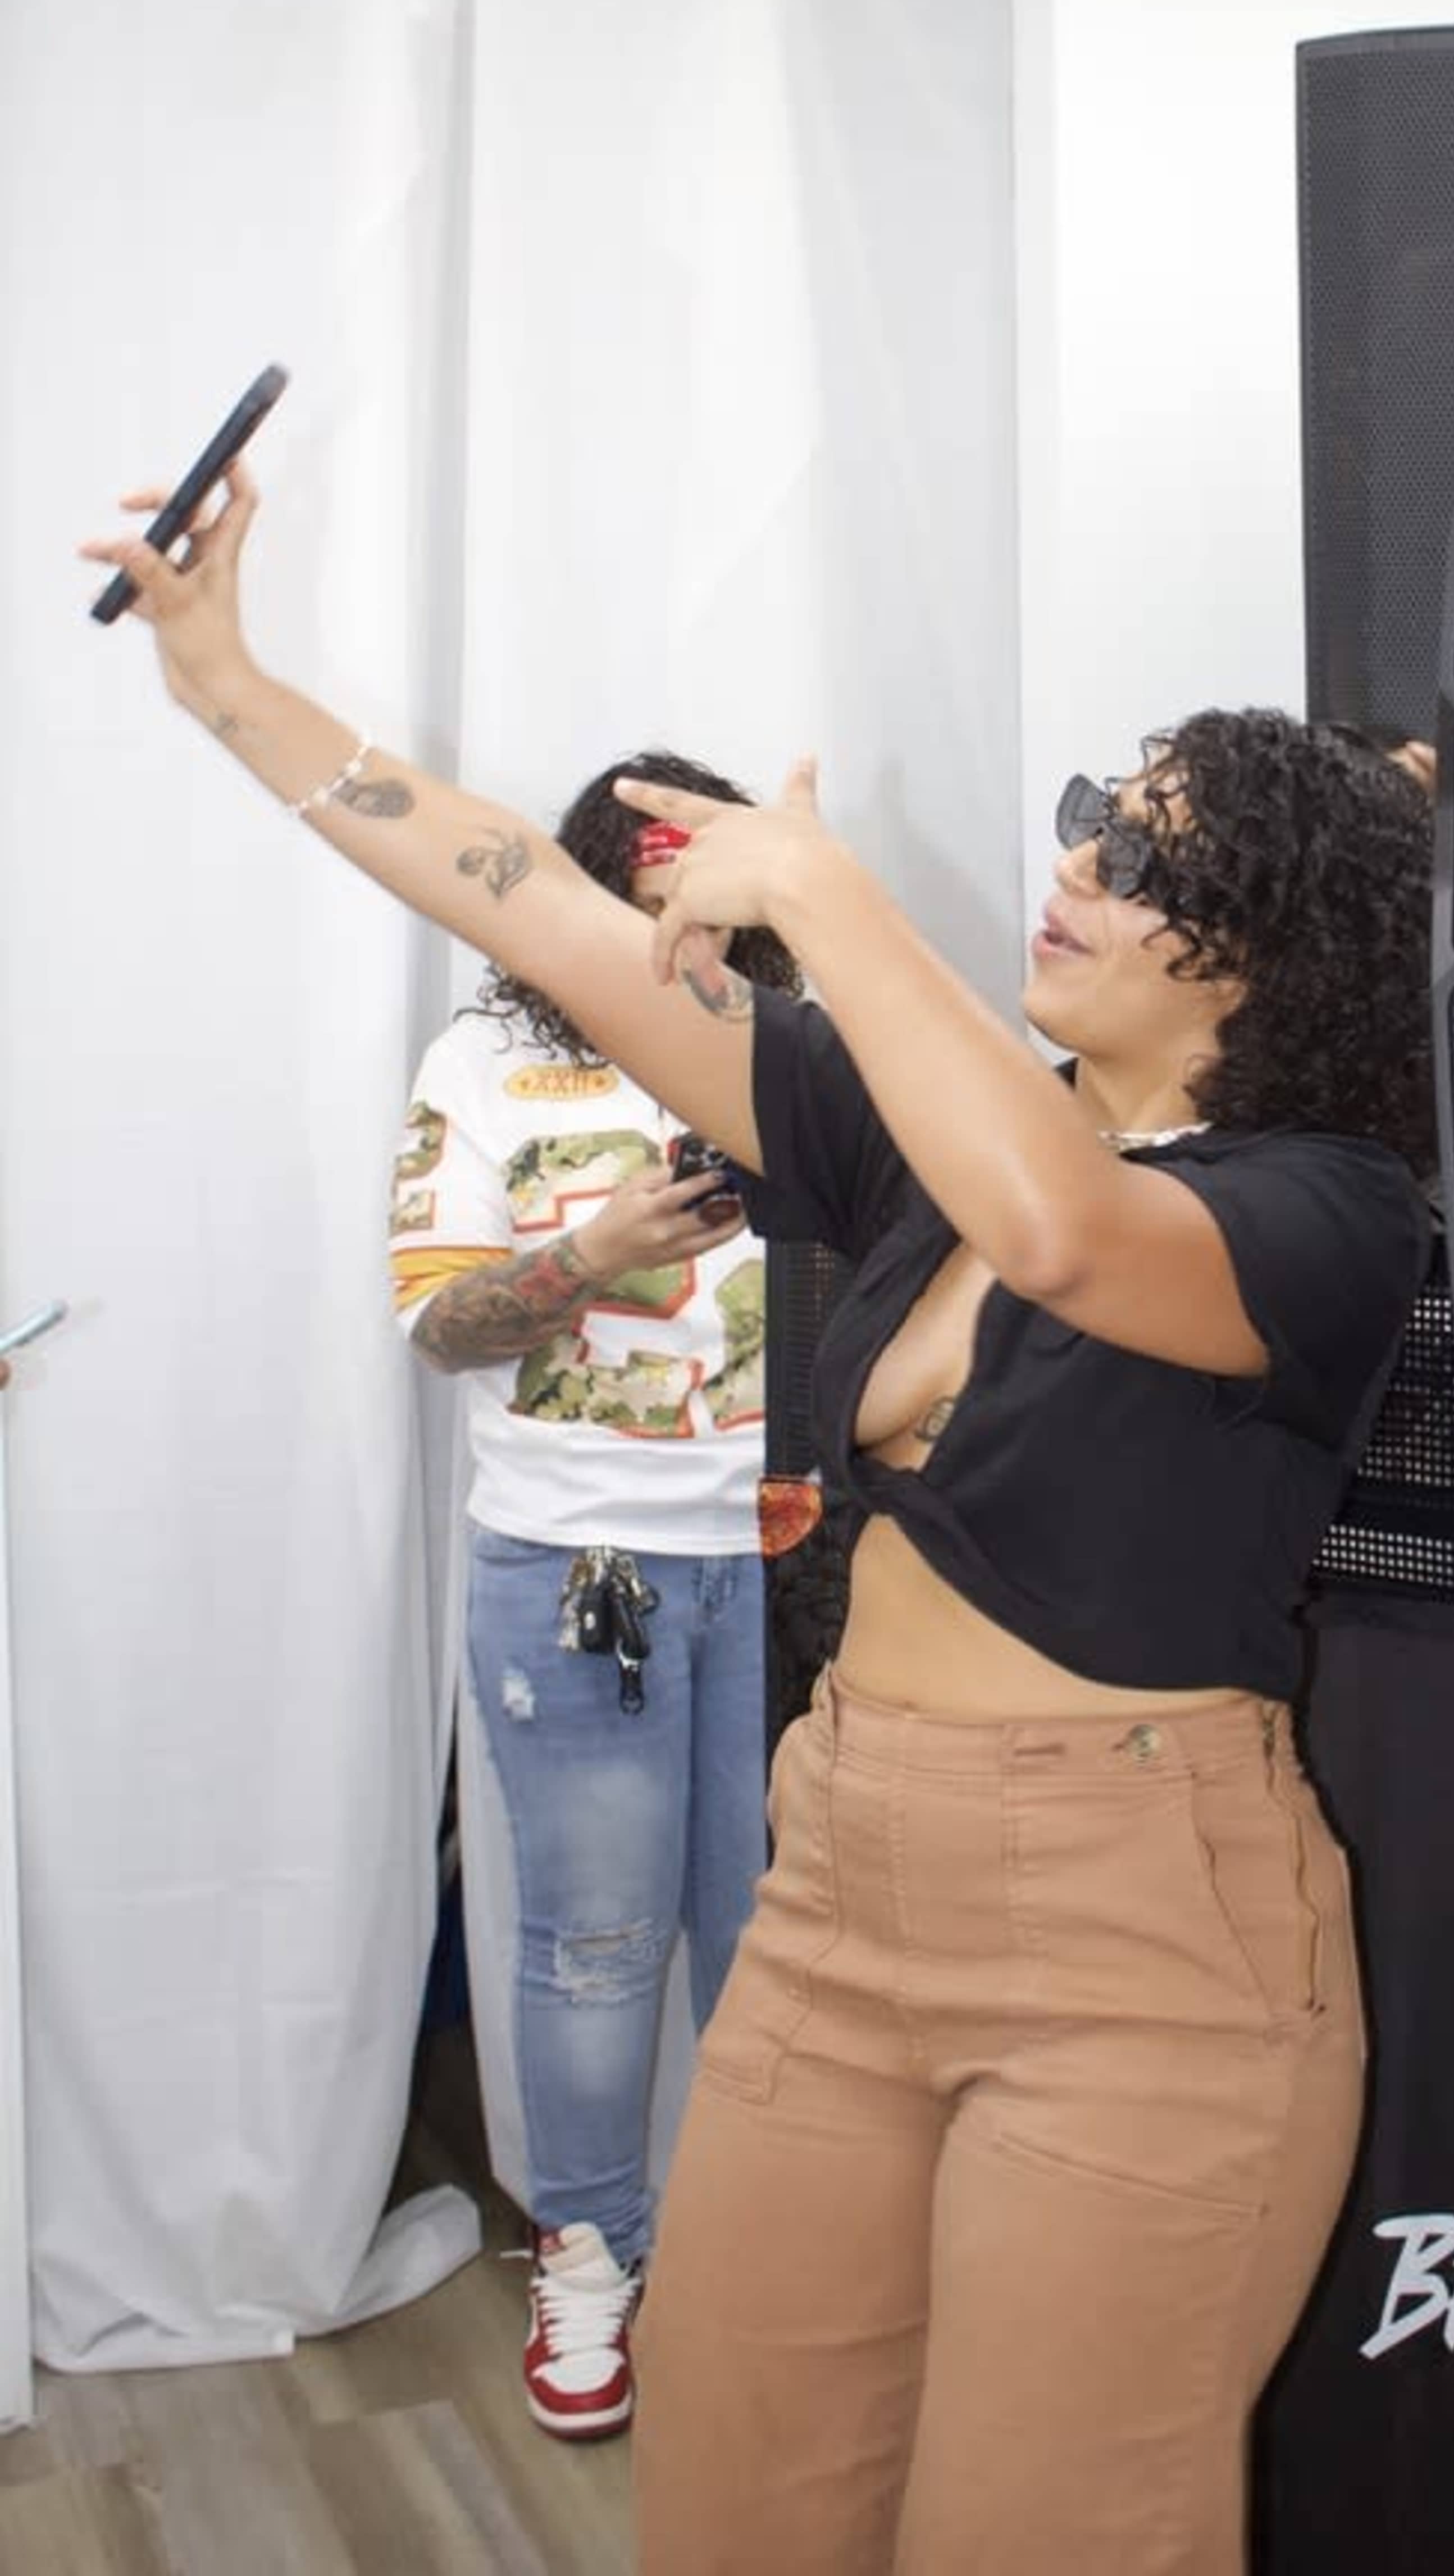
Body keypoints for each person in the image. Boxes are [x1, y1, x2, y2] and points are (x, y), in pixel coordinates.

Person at [85, 459, 1436, 2576]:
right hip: (848, 1892)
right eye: (1093, 809)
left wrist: (828, 899)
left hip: (1142, 1944)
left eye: (1148, 853)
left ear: (1268, 965)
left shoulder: (1327, 1215)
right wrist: (232, 688)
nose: (1076, 861)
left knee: (1039, 2536)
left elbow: (1072, 1235)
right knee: (738, 2509)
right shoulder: (928, 1141)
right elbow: (535, 899)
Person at [391, 751, 798, 2441]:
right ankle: (589, 2263)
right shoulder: (487, 1061)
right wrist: (590, 1256)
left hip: (800, 1561)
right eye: (648, 883)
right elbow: (434, 1323)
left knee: (793, 1953)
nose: (677, 920)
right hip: (589, 1563)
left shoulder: (803, 1045)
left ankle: (790, 2274)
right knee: (596, 1948)